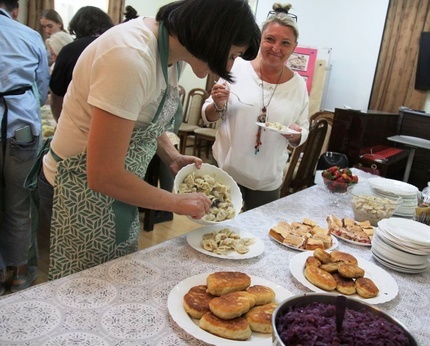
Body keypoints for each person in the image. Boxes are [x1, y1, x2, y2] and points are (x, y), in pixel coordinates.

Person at [38, 0, 260, 280]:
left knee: (112, 276)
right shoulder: (130, 58)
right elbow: (103, 175)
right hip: (78, 188)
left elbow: (144, 118)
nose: (229, 66)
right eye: (233, 55)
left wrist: (171, 155)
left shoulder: (171, 54)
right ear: (213, 37)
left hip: (117, 188)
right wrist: (176, 202)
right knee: (87, 287)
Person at [202, 3, 309, 211]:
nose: (276, 48)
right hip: (226, 173)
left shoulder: (298, 85)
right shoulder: (237, 67)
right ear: (260, 39)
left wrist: (297, 135)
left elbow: (303, 127)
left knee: (258, 240)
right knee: (216, 238)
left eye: (285, 43)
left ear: (294, 47)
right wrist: (217, 103)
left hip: (267, 182)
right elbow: (208, 115)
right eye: (270, 39)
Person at [0, 0, 50, 294]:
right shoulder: (30, 36)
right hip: (22, 129)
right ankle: (19, 274)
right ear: (15, 9)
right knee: (19, 206)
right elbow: (42, 91)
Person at [49, 6, 114, 121]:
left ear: (75, 27)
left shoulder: (69, 51)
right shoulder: (117, 47)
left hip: (77, 118)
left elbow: (57, 96)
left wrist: (60, 122)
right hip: (112, 116)